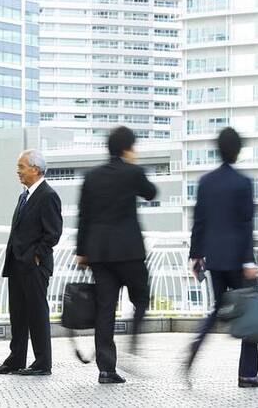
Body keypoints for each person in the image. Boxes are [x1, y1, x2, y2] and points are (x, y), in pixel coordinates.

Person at [186, 127, 258, 388]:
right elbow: (246, 224)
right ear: (237, 151)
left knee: (216, 310)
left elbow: (199, 221)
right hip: (237, 259)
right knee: (251, 311)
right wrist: (248, 261)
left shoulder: (206, 182)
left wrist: (196, 255)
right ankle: (247, 374)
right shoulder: (243, 183)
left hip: (214, 259)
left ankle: (194, 349)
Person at [75, 126, 156, 384]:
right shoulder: (133, 172)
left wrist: (81, 251)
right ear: (127, 148)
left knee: (105, 310)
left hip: (99, 253)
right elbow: (151, 192)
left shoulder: (92, 176)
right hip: (129, 251)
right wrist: (133, 166)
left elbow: (83, 215)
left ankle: (106, 370)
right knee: (142, 296)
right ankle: (134, 339)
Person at [0, 150, 62, 376]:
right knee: (18, 313)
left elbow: (53, 233)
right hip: (17, 263)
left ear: (36, 169)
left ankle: (42, 363)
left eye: (21, 166)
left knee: (37, 314)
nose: (18, 171)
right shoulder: (24, 195)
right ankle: (16, 359)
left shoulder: (48, 195)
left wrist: (36, 256)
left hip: (34, 266)